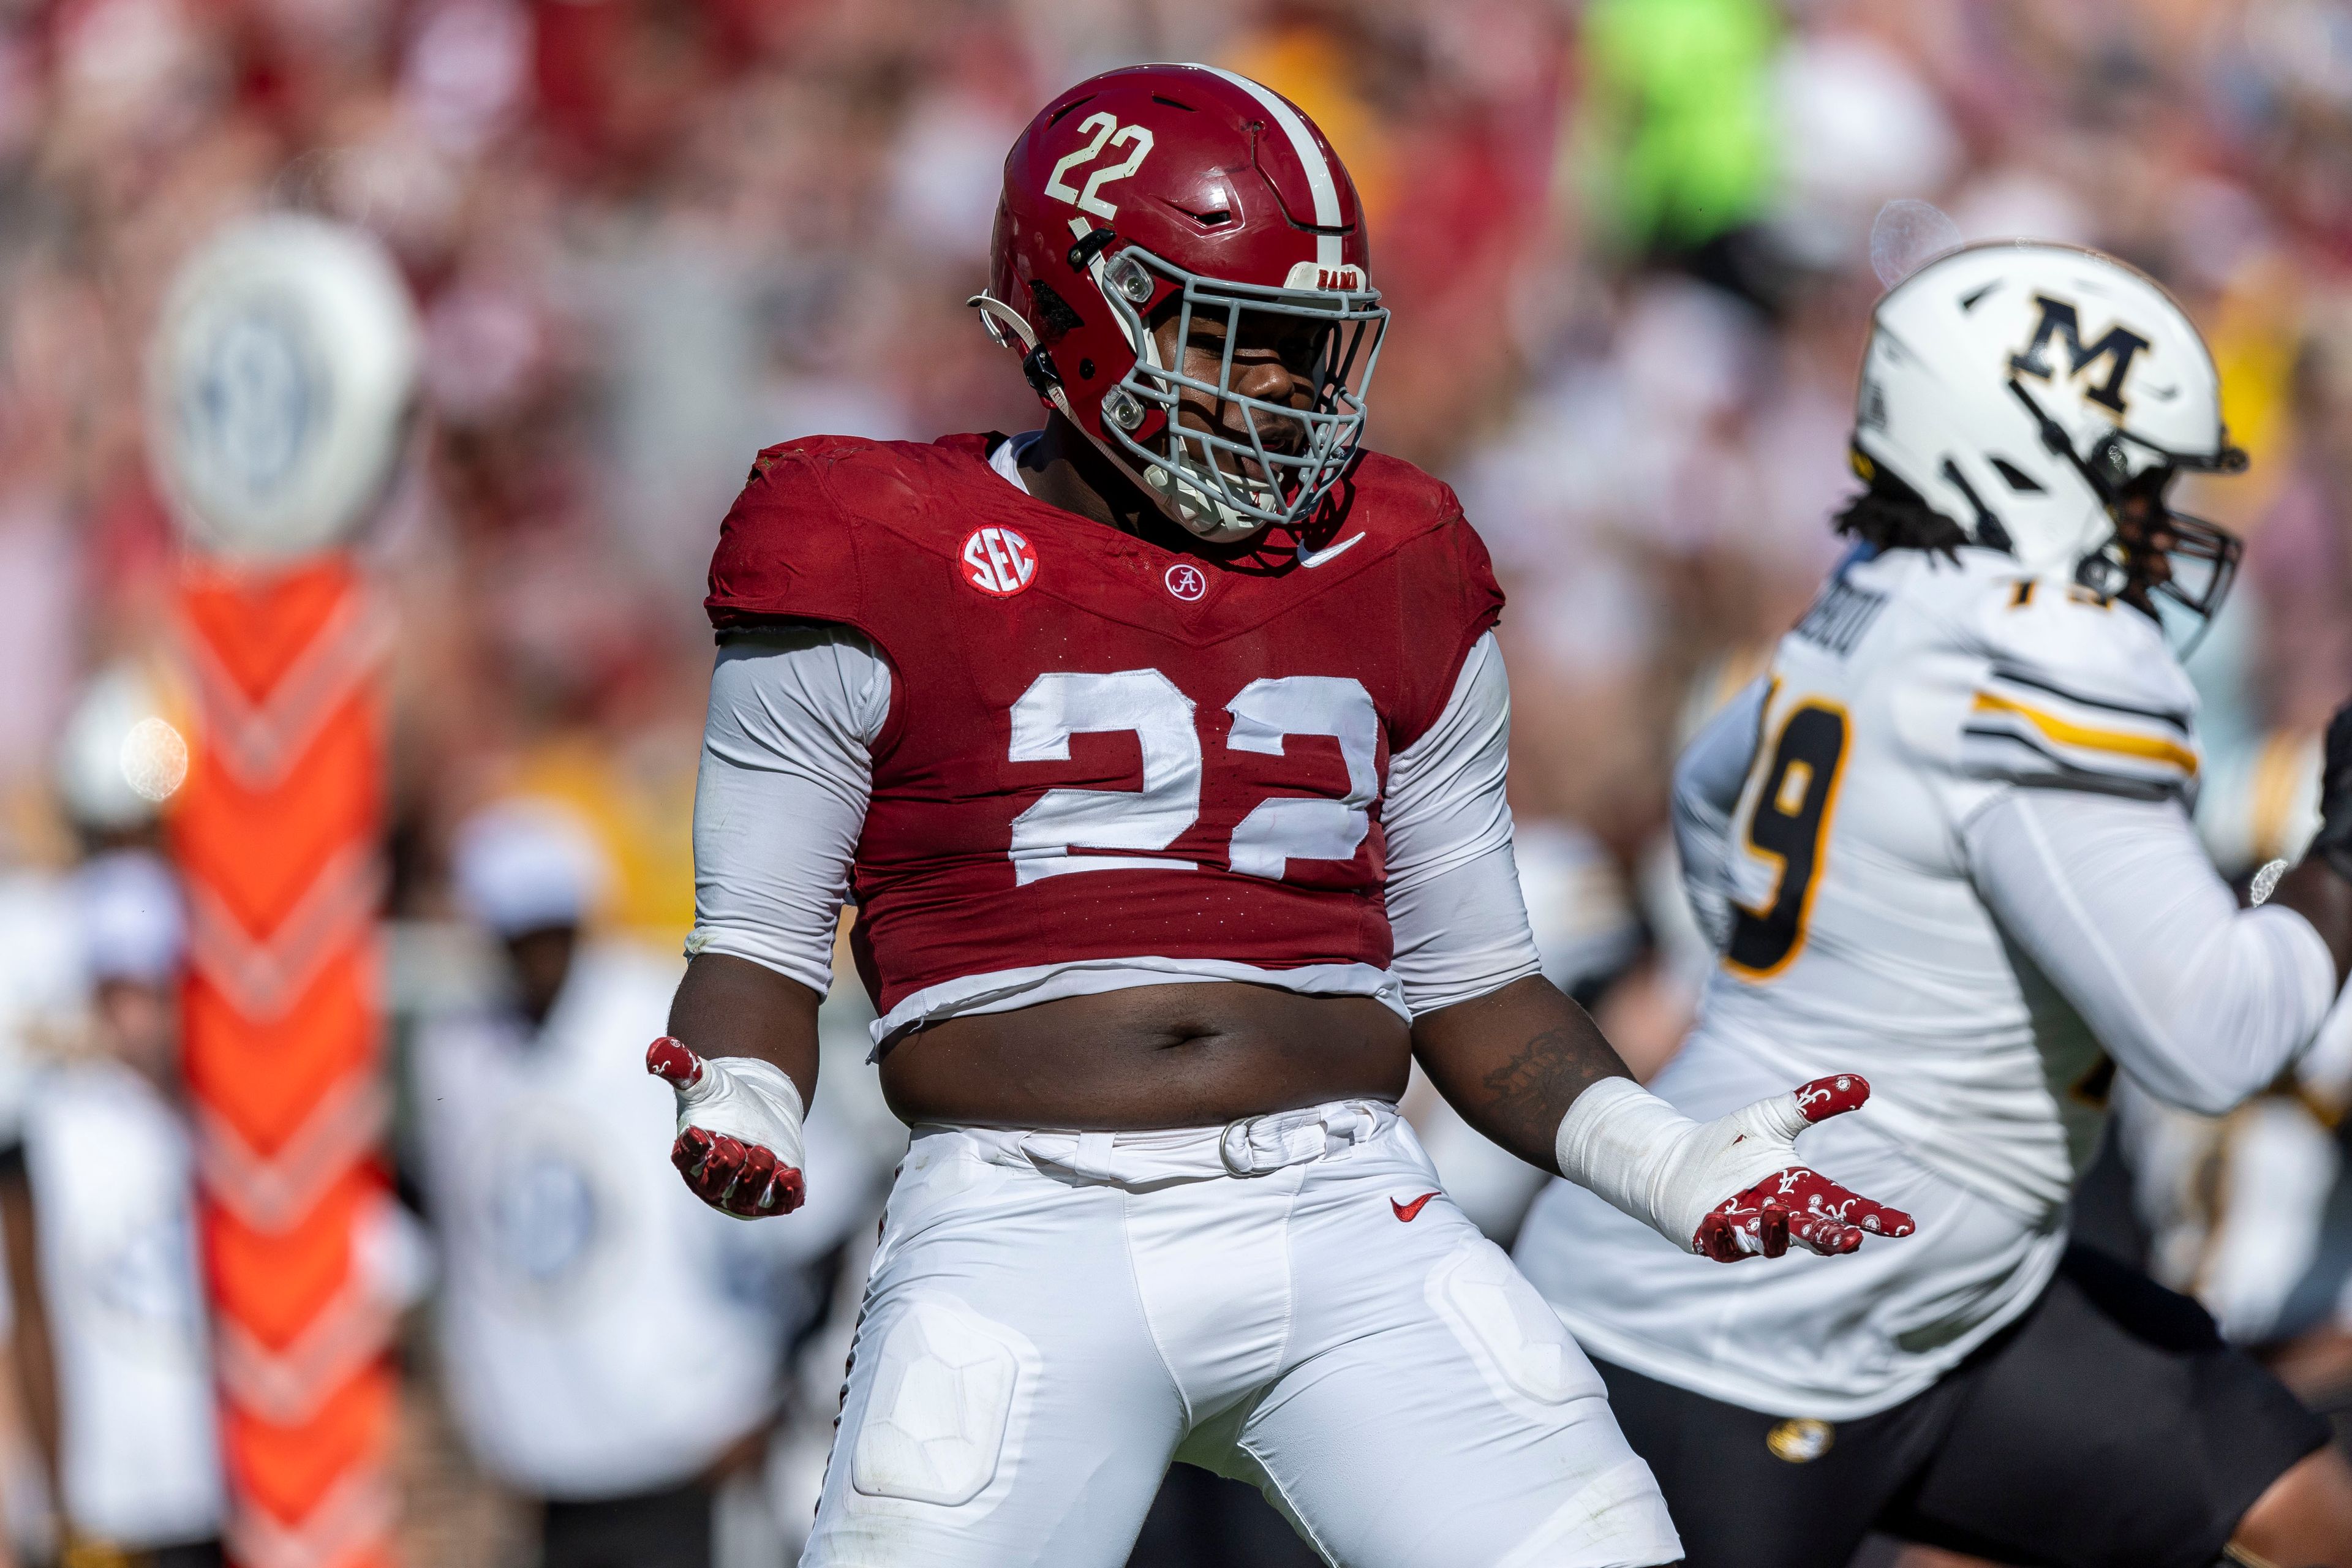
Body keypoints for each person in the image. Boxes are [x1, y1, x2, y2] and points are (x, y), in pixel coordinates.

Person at [645, 64, 1914, 1568]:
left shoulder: (1399, 554)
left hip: (1341, 1201)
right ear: (1079, 314)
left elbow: (1475, 982)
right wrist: (740, 1088)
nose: (1288, 395)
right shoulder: (868, 537)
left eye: (1313, 352)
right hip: (1021, 1217)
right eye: (1237, 342)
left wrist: (1664, 1156)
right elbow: (757, 940)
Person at [1513, 242, 2352, 1568]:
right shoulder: (2041, 653)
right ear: (2019, 462)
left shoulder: (1881, 597)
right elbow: (2215, 1039)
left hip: (1956, 1286)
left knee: (2290, 1511)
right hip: (1740, 1329)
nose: (2160, 519)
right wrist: (2336, 866)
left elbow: (1708, 802)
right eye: (2134, 479)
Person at [411, 802, 879, 1568]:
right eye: (513, 934)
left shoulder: (670, 1016)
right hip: (541, 1468)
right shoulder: (456, 1048)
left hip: (687, 1455)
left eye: (550, 929)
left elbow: (824, 1208)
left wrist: (779, 1390)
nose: (535, 956)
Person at [8, 849, 222, 1567]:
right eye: (116, 992)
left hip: (228, 1492)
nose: (138, 1018)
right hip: (111, 1511)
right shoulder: (49, 1133)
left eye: (154, 990)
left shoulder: (232, 1122)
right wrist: (60, 1502)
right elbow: (29, 1317)